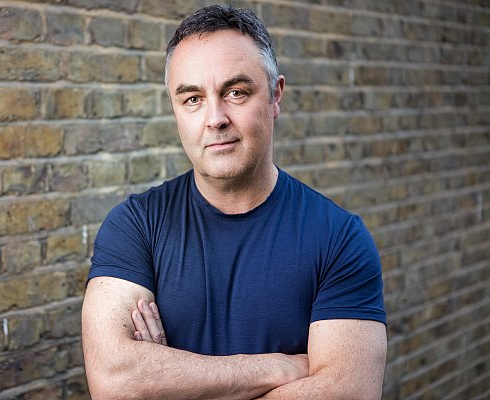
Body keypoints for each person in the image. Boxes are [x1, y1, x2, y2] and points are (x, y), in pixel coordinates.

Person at [82, 4, 387, 399]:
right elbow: (114, 382)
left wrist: (170, 383)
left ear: (275, 96)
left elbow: (349, 393)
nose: (215, 118)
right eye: (192, 98)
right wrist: (279, 367)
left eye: (236, 92)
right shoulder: (136, 225)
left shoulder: (339, 239)